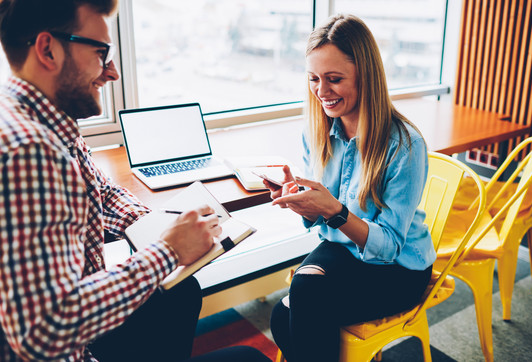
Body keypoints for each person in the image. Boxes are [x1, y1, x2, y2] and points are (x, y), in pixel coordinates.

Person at [0, 0, 270, 361]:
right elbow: (44, 332)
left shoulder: (41, 118)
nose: (112, 72)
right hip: (69, 347)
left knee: (180, 292)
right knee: (249, 358)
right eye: (101, 52)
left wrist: (159, 226)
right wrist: (169, 251)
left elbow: (103, 193)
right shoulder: (31, 151)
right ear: (48, 49)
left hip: (73, 320)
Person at [266, 14, 437, 362]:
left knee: (305, 298)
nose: (321, 92)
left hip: (400, 268)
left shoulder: (405, 145)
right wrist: (303, 203)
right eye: (313, 79)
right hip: (344, 249)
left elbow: (389, 246)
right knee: (282, 315)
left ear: (366, 76)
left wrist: (334, 211)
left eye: (334, 79)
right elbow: (320, 222)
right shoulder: (315, 133)